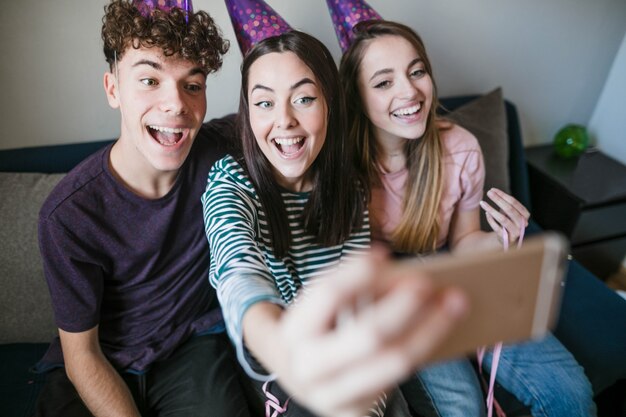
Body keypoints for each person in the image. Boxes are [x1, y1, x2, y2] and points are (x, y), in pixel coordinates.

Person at [201, 27, 468, 417]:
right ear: (248, 112)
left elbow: (355, 303)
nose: (284, 120)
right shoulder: (230, 183)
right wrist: (283, 349)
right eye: (264, 103)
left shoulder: (350, 185)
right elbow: (237, 271)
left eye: (304, 99)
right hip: (280, 357)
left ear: (329, 103)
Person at [338, 18, 597, 417]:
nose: (410, 91)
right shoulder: (339, 167)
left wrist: (503, 239)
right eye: (384, 82)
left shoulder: (460, 148)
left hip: (452, 274)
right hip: (392, 292)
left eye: (417, 71)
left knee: (571, 393)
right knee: (464, 408)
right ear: (356, 97)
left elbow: (463, 241)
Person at [33, 1, 257, 416]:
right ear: (113, 89)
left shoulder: (219, 153)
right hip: (99, 358)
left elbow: (286, 110)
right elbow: (82, 354)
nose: (175, 104)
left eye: (192, 85)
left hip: (190, 346)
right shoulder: (67, 215)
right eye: (150, 80)